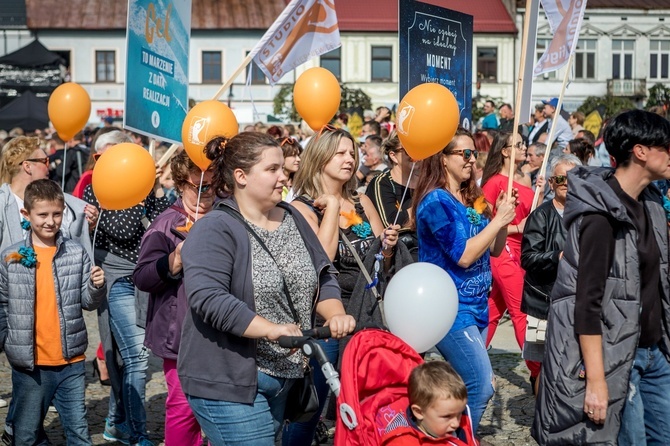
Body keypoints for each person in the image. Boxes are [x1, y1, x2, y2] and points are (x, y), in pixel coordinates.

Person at [177, 133, 355, 445]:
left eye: (282, 169)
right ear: (241, 177)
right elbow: (209, 298)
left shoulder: (291, 217)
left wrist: (335, 314)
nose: (283, 176)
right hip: (229, 378)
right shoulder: (214, 228)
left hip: (287, 376)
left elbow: (323, 275)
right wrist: (271, 330)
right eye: (272, 169)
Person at [533, 110, 670, 445]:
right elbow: (585, 304)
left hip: (655, 352)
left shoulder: (650, 202)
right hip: (616, 358)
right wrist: (595, 381)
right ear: (640, 151)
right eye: (666, 147)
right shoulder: (600, 214)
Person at [285, 126, 402, 445]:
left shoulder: (362, 200)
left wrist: (388, 248)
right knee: (310, 411)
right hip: (329, 321)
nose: (349, 159)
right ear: (320, 158)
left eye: (352, 152)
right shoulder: (302, 207)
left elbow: (380, 262)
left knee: (364, 407)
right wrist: (333, 208)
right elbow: (320, 261)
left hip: (367, 317)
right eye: (340, 153)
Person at [412, 128, 517, 431]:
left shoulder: (475, 197)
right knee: (480, 385)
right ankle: (455, 438)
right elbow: (464, 255)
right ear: (443, 159)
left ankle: (434, 435)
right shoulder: (435, 203)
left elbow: (494, 249)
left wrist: (500, 216)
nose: (473, 160)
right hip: (448, 307)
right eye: (465, 153)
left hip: (477, 305)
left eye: (475, 154)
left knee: (460, 385)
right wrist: (498, 220)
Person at [0, 136, 99, 442]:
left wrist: (94, 287)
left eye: (56, 215)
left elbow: (85, 298)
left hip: (69, 357)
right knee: (27, 430)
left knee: (77, 429)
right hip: (28, 355)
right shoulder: (12, 253)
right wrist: (9, 338)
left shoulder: (72, 252)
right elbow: (3, 300)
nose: (52, 221)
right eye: (44, 160)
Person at [84, 147, 169, 446]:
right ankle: (137, 435)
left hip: (144, 278)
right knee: (137, 357)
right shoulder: (97, 190)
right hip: (117, 279)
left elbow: (163, 229)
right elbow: (123, 229)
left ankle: (115, 422)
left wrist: (155, 191)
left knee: (124, 359)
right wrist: (140, 191)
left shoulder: (144, 188)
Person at [132, 152, 214, 446]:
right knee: (183, 408)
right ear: (181, 185)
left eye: (214, 186)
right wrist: (173, 261)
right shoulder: (166, 223)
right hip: (180, 333)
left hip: (222, 331)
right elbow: (142, 277)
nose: (208, 193)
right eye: (200, 187)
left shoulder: (226, 215)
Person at [481, 132, 542, 385]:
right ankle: (539, 371)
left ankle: (469, 361)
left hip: (522, 252)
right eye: (517, 145)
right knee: (521, 312)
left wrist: (540, 196)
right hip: (502, 250)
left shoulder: (526, 180)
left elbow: (533, 219)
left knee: (493, 313)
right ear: (504, 151)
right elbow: (484, 221)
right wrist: (518, 228)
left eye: (523, 144)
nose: (523, 148)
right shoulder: (495, 182)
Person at [520, 154, 582, 395]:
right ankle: (542, 418)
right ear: (552, 183)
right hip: (546, 302)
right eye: (560, 178)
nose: (566, 183)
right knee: (547, 366)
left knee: (576, 363)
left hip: (578, 301)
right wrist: (557, 256)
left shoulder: (588, 215)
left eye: (572, 178)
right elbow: (527, 258)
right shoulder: (542, 215)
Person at [380, 362, 477, 446]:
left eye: (459, 414)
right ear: (419, 412)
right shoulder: (403, 442)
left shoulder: (461, 425)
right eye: (447, 416)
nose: (456, 423)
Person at [366, 130, 420, 259]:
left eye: (418, 148)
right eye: (408, 150)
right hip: (399, 256)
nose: (416, 154)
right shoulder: (381, 183)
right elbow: (391, 223)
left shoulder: (427, 181)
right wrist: (425, 206)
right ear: (393, 156)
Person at [72, 129, 131, 199]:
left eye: (107, 157)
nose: (101, 162)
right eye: (98, 157)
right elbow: (75, 204)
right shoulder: (89, 178)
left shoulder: (135, 182)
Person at [280, 136, 302, 201]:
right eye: (293, 155)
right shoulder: (273, 185)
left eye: (298, 155)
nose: (298, 159)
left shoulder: (299, 182)